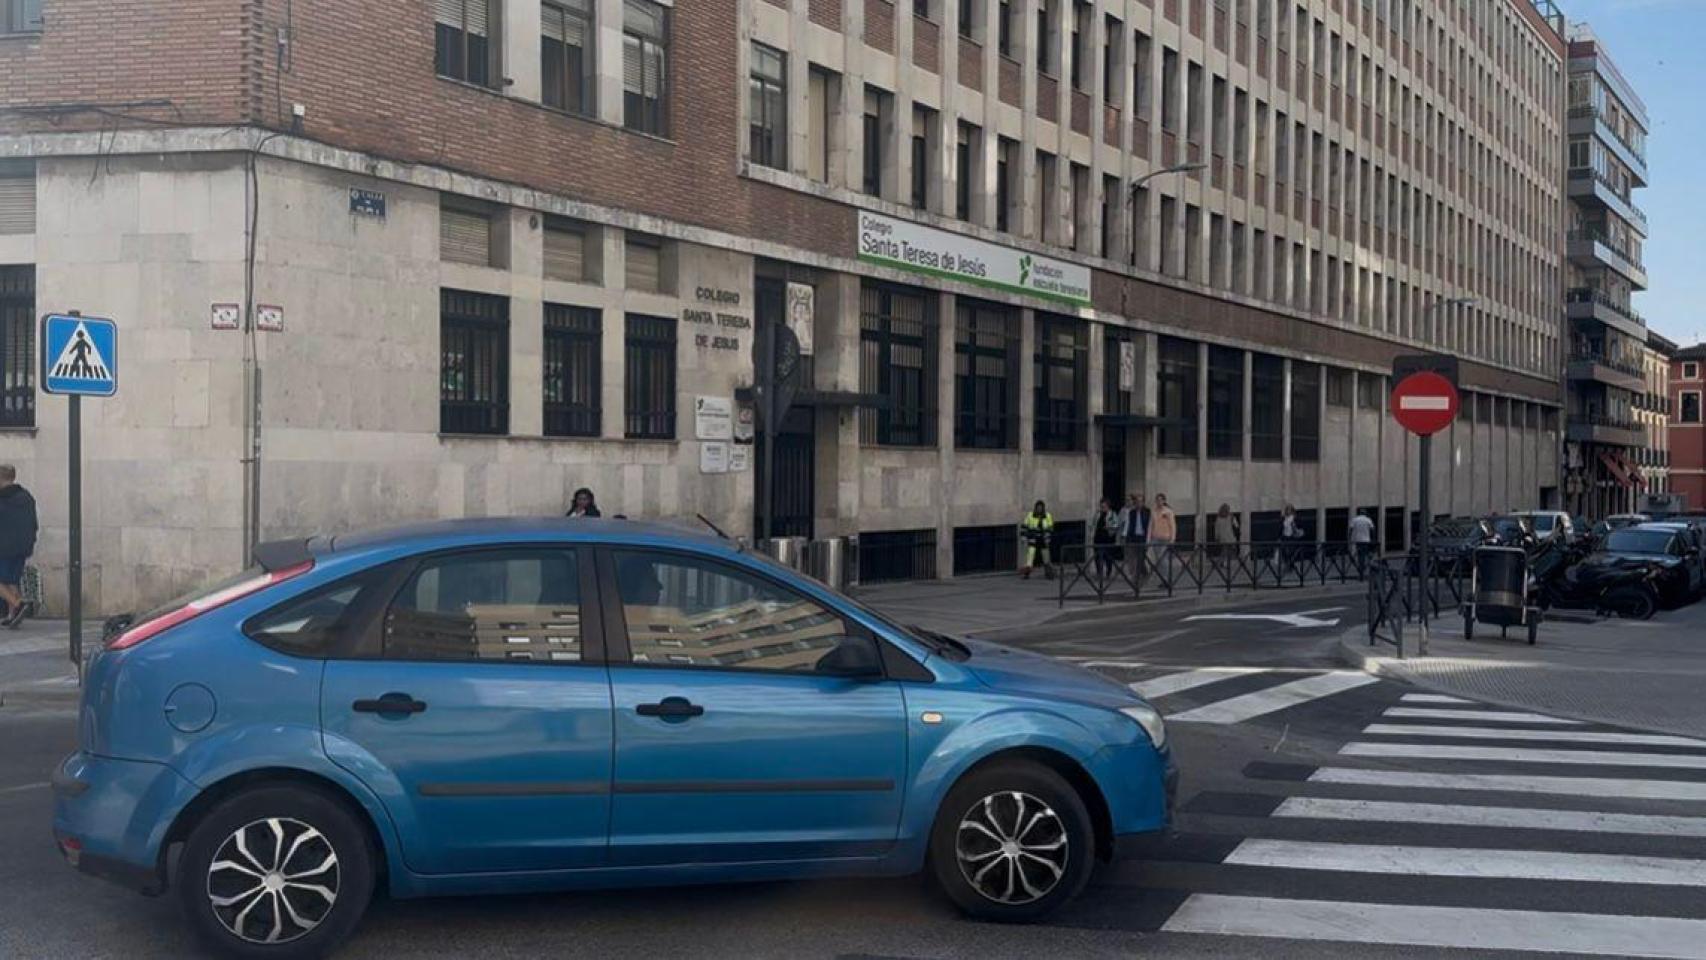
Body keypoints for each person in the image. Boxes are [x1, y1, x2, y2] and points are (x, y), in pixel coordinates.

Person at [0, 465, 38, 629]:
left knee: (3, 581)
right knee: (12, 580)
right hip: (23, 546)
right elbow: (33, 523)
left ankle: (17, 604)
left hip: (4, 546)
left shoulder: (2, 498)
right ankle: (12, 615)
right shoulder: (27, 497)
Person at [1117, 493, 1150, 581]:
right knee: (1134, 556)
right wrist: (1126, 536)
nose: (1138, 503)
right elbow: (1129, 525)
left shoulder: (1147, 512)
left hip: (1143, 537)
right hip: (1133, 536)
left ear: (1143, 502)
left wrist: (1149, 538)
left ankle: (1139, 575)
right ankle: (1140, 574)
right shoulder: (1132, 513)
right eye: (1137, 501)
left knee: (1141, 556)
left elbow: (1149, 526)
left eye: (1140, 501)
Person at [1020, 500, 1056, 580]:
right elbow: (1024, 526)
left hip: (1043, 539)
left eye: (1041, 508)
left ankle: (1049, 574)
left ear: (1043, 508)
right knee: (1030, 556)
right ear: (1035, 508)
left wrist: (1048, 537)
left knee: (1046, 557)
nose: (1039, 509)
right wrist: (1023, 537)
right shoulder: (1030, 515)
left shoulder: (1047, 516)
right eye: (1038, 508)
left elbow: (1051, 528)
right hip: (1033, 538)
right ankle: (1027, 573)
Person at [1149, 493, 1178, 582]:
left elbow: (1172, 526)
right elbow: (1150, 525)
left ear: (1164, 501)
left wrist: (1172, 539)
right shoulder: (1153, 511)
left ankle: (1166, 578)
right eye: (1157, 500)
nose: (1159, 502)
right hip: (1155, 537)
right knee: (1158, 559)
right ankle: (1163, 578)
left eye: (1161, 500)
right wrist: (1148, 538)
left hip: (1165, 538)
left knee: (1163, 559)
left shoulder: (1168, 512)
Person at [1091, 498, 1120, 581]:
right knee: (1097, 557)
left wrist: (1109, 527)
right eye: (1101, 506)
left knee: (1108, 557)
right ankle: (1099, 573)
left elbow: (1116, 525)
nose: (1102, 508)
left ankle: (1108, 573)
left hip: (1108, 538)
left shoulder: (1112, 514)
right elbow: (1093, 524)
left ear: (1108, 506)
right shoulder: (1098, 514)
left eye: (1104, 506)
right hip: (1098, 538)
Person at [1349, 508, 1377, 574]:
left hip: (1357, 540)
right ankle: (1364, 566)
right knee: (1366, 554)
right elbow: (1373, 529)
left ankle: (1360, 567)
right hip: (1366, 540)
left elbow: (1350, 529)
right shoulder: (1368, 520)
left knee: (1359, 554)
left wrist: (1349, 538)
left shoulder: (1355, 519)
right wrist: (1374, 539)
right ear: (1365, 513)